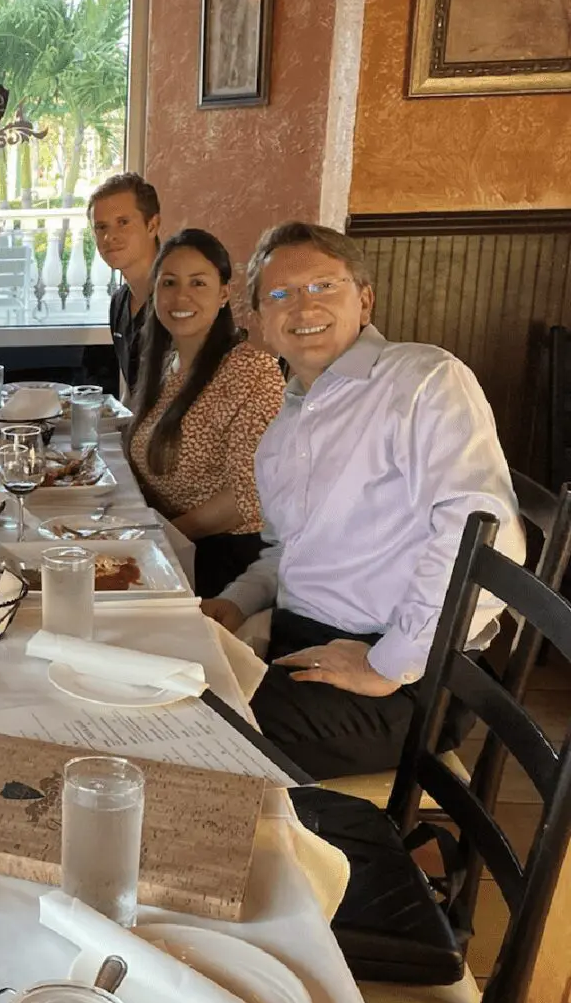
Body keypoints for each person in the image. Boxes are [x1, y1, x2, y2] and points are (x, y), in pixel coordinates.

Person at [201, 222, 524, 780]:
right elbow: (288, 550)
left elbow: (484, 535)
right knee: (150, 689)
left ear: (365, 298)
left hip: (411, 678)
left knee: (186, 739)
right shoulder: (286, 427)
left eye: (324, 285)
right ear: (259, 321)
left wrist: (387, 664)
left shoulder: (422, 380)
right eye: (279, 294)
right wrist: (233, 603)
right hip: (309, 643)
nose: (303, 306)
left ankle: (356, 859)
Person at [127, 229, 285, 598]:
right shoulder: (166, 365)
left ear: (224, 293)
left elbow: (247, 496)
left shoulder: (253, 373)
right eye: (169, 282)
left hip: (223, 559)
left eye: (198, 282)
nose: (181, 296)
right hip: (170, 541)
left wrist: (159, 536)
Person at [87, 172, 162, 397]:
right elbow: (133, 396)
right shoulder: (119, 303)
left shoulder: (177, 300)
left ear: (152, 225)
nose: (110, 237)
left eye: (123, 222)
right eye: (101, 227)